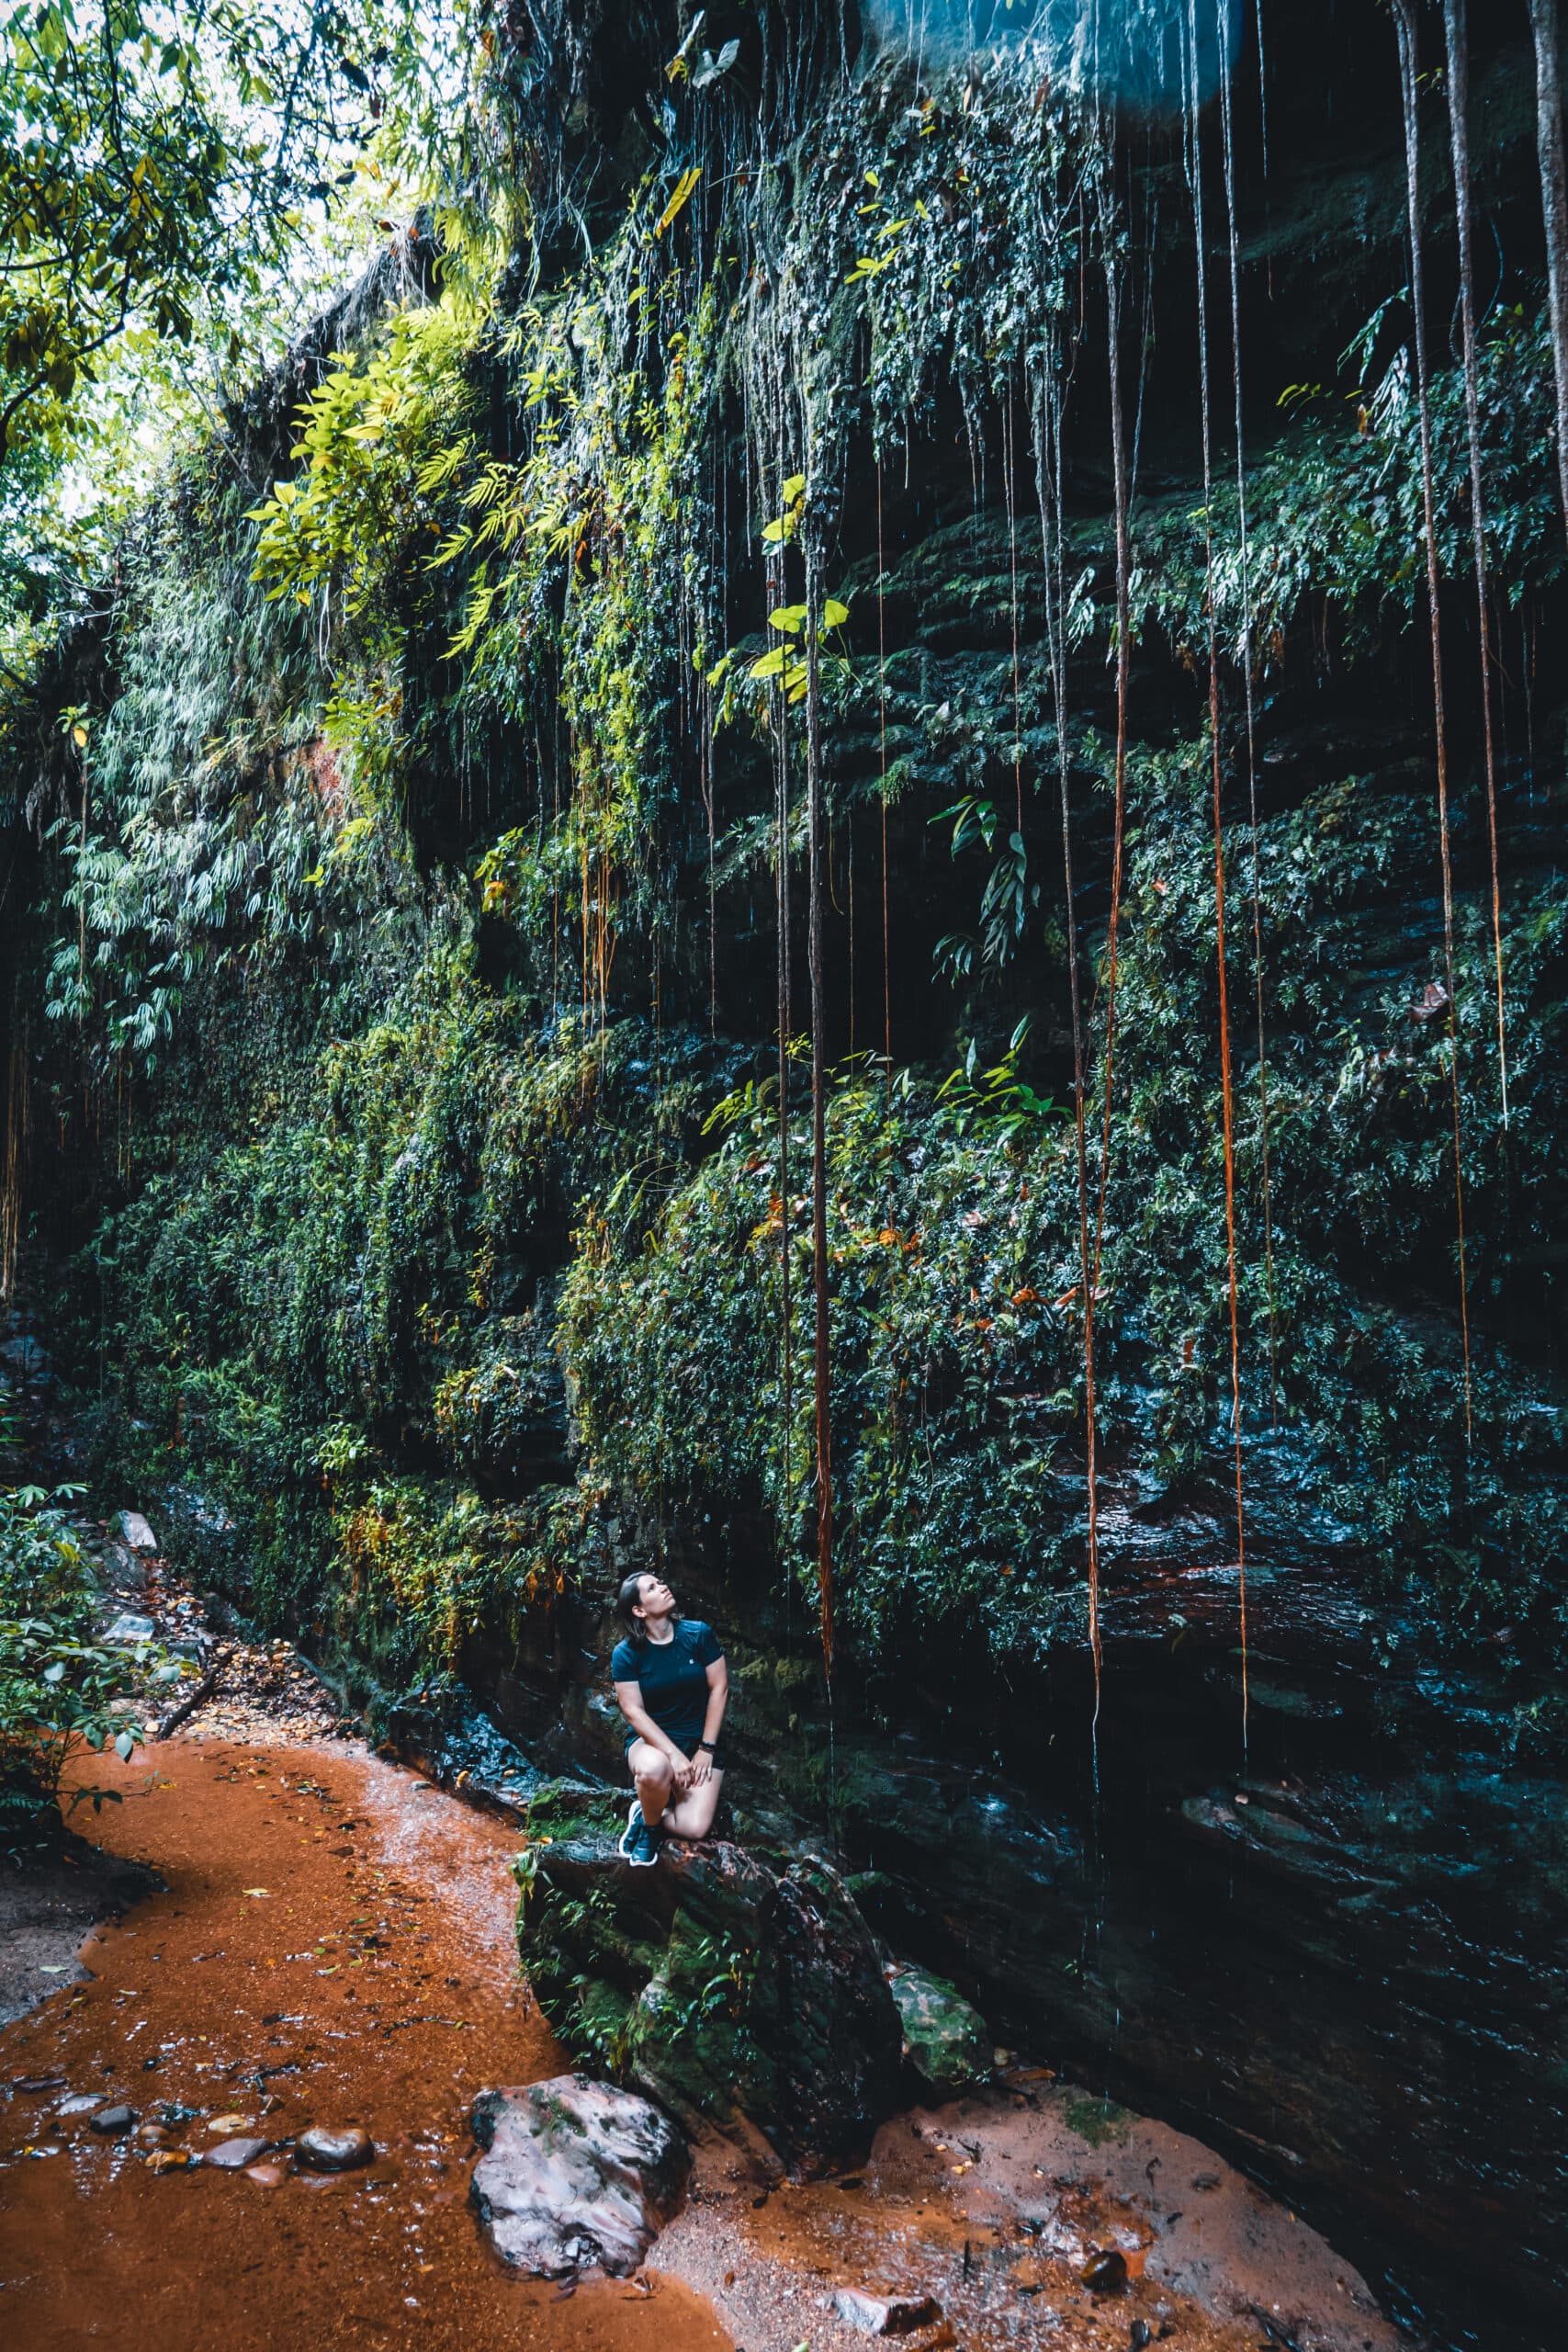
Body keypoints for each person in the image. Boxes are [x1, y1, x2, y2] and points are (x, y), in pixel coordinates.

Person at [611, 1571, 728, 1868]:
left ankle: (651, 1813)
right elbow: (633, 1711)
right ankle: (650, 1830)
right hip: (650, 1743)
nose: (663, 1587)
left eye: (661, 1582)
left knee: (694, 1828)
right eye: (652, 1588)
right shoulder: (626, 1655)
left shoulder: (698, 1634)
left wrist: (706, 1749)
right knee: (653, 1769)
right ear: (639, 1610)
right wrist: (673, 1756)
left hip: (699, 1744)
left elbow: (720, 1688)